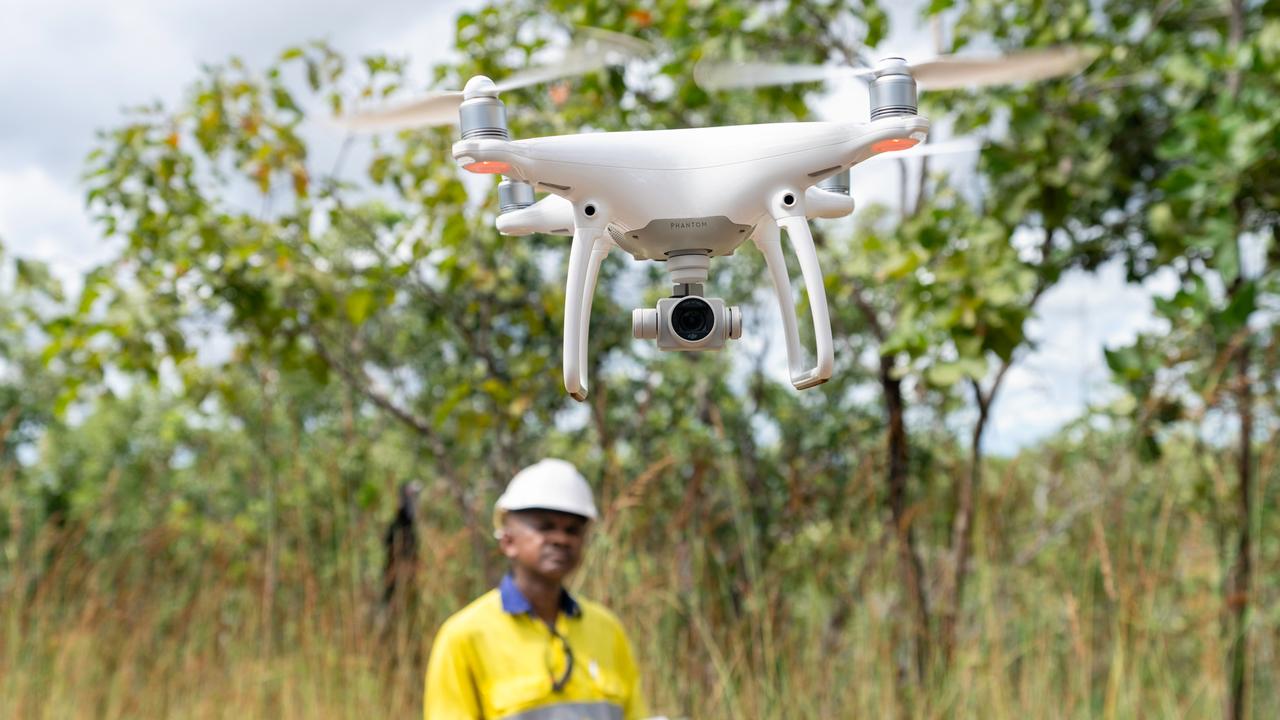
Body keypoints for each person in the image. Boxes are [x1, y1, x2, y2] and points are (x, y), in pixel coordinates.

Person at [424, 459, 647, 720]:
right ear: (508, 540)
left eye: (573, 530)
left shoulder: (608, 630)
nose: (561, 539)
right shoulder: (465, 636)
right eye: (545, 527)